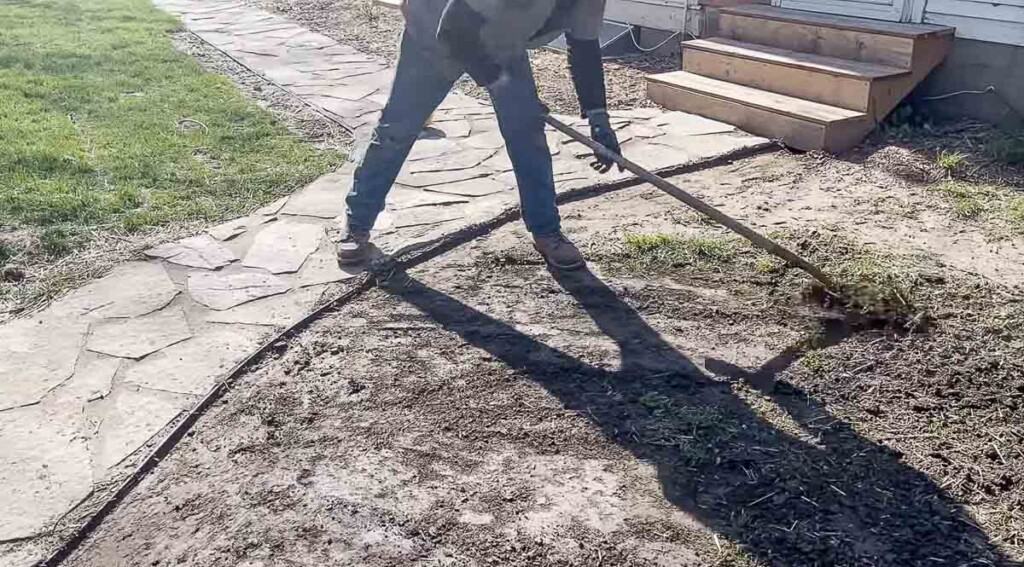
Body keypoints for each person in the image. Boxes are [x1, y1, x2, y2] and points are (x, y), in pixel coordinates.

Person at [339, 0, 622, 270]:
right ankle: (357, 224)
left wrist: (599, 119)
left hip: (501, 40)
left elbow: (583, 43)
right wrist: (497, 80)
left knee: (527, 133)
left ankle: (546, 230)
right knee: (396, 130)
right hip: (433, 33)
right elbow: (454, 29)